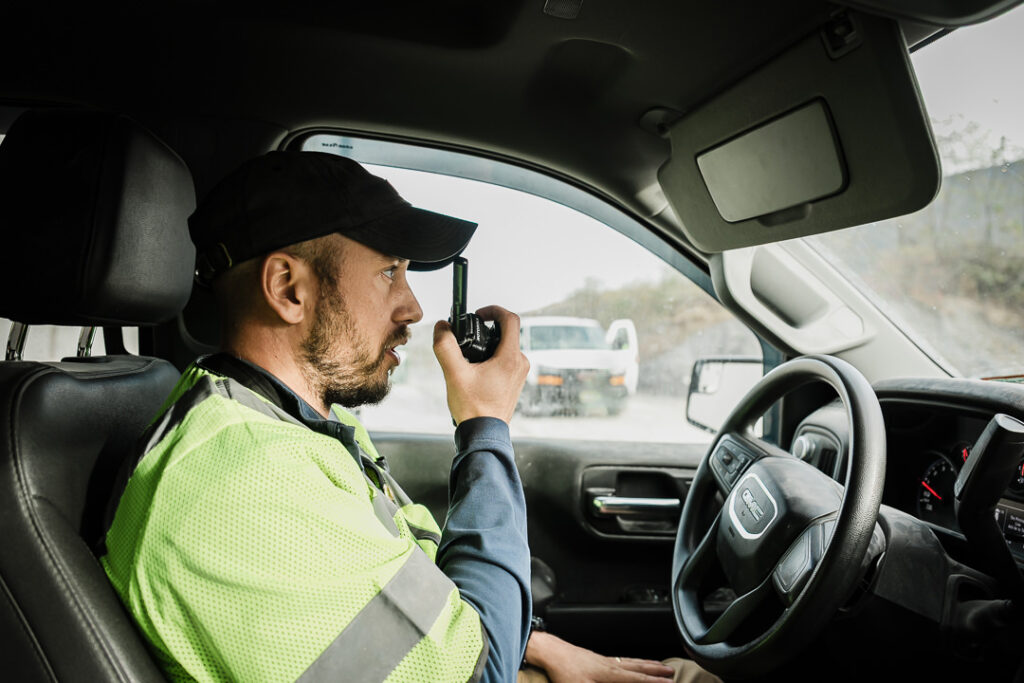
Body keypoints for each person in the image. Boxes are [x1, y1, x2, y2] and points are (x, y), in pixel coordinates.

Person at [101, 151, 716, 683]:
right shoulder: (241, 479)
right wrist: (484, 428)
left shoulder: (284, 423)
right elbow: (480, 673)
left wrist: (536, 643)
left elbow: (419, 575)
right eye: (389, 271)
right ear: (289, 288)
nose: (414, 306)